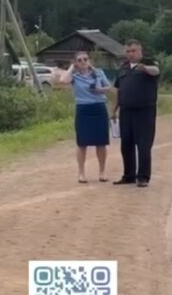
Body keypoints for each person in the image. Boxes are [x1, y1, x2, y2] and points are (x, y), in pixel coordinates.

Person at [113, 39, 160, 188]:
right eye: (128, 51)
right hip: (126, 111)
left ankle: (143, 177)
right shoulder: (123, 69)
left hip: (145, 111)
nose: (131, 54)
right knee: (126, 145)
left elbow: (156, 71)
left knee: (144, 145)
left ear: (140, 51)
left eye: (133, 51)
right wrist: (114, 110)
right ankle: (129, 175)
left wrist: (145, 68)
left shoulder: (149, 63)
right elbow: (118, 91)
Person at [60, 52, 112, 183]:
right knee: (82, 142)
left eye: (85, 59)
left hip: (99, 107)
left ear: (89, 60)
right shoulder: (75, 76)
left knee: (101, 142)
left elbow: (109, 87)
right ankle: (81, 173)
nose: (83, 62)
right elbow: (62, 80)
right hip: (83, 109)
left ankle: (102, 171)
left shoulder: (98, 73)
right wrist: (72, 68)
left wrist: (100, 89)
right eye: (79, 60)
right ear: (76, 62)